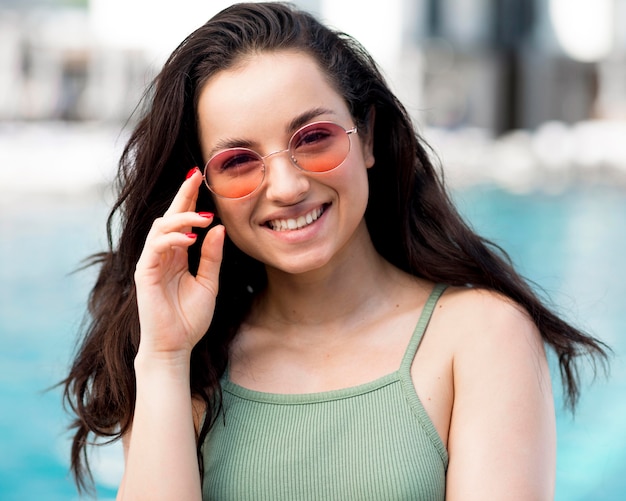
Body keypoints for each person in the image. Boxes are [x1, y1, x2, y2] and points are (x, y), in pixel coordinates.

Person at [62, 2, 609, 500]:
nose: (286, 186)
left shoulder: (483, 336)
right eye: (238, 161)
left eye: (314, 137)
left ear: (367, 137)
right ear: (206, 192)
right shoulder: (186, 362)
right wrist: (163, 357)